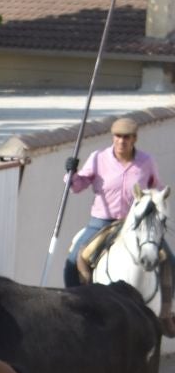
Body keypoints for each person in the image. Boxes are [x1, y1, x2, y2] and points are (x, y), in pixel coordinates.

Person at [65, 116, 161, 286]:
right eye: (117, 136)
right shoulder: (98, 158)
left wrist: (155, 204)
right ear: (112, 137)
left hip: (136, 222)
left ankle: (169, 307)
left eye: (126, 137)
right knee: (73, 261)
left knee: (169, 259)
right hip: (102, 221)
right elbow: (78, 186)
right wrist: (72, 174)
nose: (121, 141)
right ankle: (74, 299)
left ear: (134, 139)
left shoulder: (146, 161)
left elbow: (156, 189)